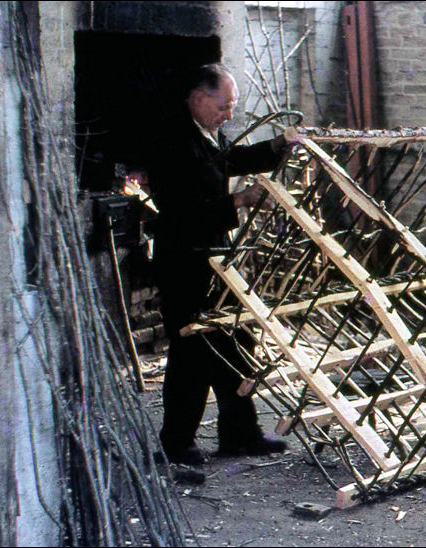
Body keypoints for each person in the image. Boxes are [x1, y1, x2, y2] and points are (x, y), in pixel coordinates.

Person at [145, 63, 299, 465]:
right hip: (183, 259)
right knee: (191, 351)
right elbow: (179, 212)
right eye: (224, 106)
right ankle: (176, 442)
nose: (229, 114)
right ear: (198, 98)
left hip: (214, 258)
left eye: (232, 106)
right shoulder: (170, 139)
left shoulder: (205, 132)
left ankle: (240, 434)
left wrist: (279, 145)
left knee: (237, 341)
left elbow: (234, 158)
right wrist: (238, 201)